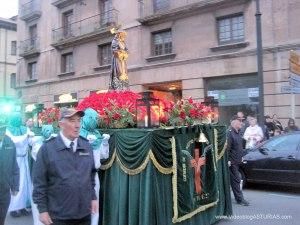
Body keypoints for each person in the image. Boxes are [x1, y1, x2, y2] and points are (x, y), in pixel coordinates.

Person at [32, 108, 98, 225]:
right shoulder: (47, 149)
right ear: (61, 124)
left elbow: (91, 175)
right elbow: (39, 182)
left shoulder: (86, 146)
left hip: (84, 214)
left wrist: (93, 197)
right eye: (72, 121)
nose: (77, 125)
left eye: (79, 121)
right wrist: (42, 210)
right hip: (59, 216)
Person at [79, 108, 110, 225]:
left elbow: (103, 155)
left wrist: (105, 142)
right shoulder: (78, 134)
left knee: (94, 204)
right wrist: (87, 146)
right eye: (91, 118)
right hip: (81, 175)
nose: (94, 121)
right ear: (85, 119)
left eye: (96, 118)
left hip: (94, 175)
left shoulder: (97, 134)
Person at [5, 112, 34, 217]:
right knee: (16, 184)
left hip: (24, 159)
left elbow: (31, 141)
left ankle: (22, 207)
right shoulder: (7, 130)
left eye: (19, 117)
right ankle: (13, 208)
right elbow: (14, 140)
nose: (18, 119)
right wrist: (27, 135)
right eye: (16, 117)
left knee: (25, 185)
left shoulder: (25, 129)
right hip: (14, 160)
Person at [227, 115, 250, 206]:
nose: (241, 122)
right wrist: (228, 160)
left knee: (235, 180)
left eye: (241, 120)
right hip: (232, 162)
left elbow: (239, 147)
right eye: (239, 120)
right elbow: (227, 149)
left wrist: (242, 157)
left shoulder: (238, 133)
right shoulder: (229, 133)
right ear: (233, 122)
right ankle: (240, 199)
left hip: (237, 161)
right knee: (236, 180)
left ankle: (236, 198)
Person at [0, 122, 19, 225]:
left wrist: (15, 186)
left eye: (3, 129)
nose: (2, 132)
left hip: (4, 190)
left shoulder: (10, 143)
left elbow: (14, 166)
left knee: (1, 218)